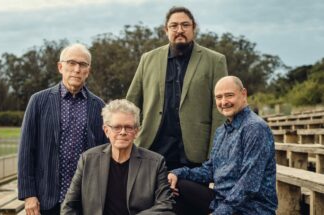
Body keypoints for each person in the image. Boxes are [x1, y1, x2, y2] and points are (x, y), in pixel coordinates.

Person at [126, 6, 228, 170]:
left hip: (195, 154)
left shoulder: (215, 61)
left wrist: (213, 155)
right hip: (151, 149)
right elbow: (131, 104)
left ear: (194, 28)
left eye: (185, 25)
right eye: (174, 26)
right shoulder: (147, 59)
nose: (179, 30)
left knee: (192, 196)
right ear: (166, 30)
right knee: (149, 196)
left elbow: (220, 112)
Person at [18, 43, 108, 215]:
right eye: (71, 63)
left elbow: (105, 154)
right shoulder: (38, 101)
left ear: (88, 70)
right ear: (60, 67)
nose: (76, 69)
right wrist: (29, 195)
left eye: (82, 64)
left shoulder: (98, 106)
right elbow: (26, 151)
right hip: (46, 199)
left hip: (84, 200)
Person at [168, 76, 278, 215]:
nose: (224, 102)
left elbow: (248, 184)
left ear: (243, 94)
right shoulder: (221, 131)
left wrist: (220, 213)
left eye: (229, 95)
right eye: (219, 97)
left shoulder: (255, 128)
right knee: (175, 187)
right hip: (221, 200)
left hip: (251, 208)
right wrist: (177, 173)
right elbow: (209, 170)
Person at [61, 99, 175, 215]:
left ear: (136, 131)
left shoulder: (156, 163)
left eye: (129, 127)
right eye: (117, 127)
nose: (123, 132)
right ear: (106, 130)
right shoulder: (88, 159)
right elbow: (69, 206)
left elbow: (165, 206)